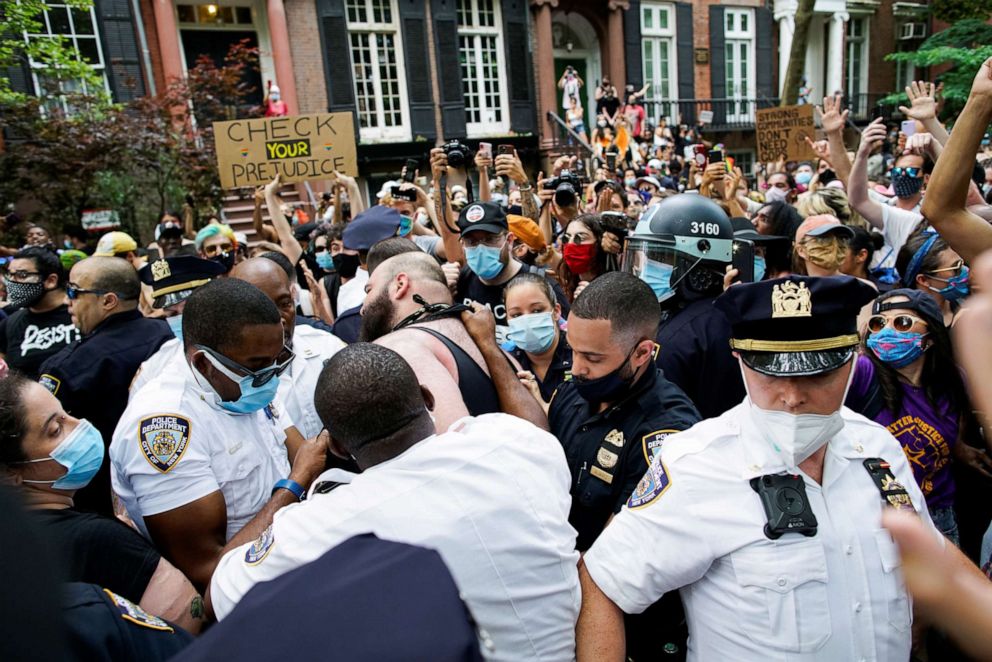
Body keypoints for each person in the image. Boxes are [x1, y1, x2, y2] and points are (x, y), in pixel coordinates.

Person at [575, 275, 967, 662]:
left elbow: (932, 553)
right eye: (770, 372)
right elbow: (603, 581)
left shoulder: (879, 449)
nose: (793, 395)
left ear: (852, 360)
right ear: (740, 362)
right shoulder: (699, 464)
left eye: (817, 372)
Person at [209, 343, 581, 661]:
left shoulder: (319, 524)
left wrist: (295, 481)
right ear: (427, 398)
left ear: (337, 445)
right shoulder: (514, 441)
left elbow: (222, 590)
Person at [110, 278, 329, 593]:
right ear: (204, 363)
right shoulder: (165, 425)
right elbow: (208, 571)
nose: (272, 376)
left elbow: (302, 452)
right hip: (244, 593)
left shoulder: (248, 381)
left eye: (277, 360)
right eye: (258, 366)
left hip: (291, 561)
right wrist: (293, 486)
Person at [0, 375, 205, 633]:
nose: (80, 425)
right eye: (55, 429)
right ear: (10, 474)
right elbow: (189, 616)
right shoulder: (98, 540)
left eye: (67, 413)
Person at [548, 272, 700, 551]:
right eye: (574, 351)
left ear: (642, 353)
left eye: (593, 358)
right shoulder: (573, 392)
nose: (577, 369)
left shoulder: (665, 432)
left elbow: (623, 547)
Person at [846, 289, 987, 545]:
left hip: (937, 516)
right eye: (878, 324)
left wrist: (959, 450)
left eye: (902, 323)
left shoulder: (953, 380)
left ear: (930, 337)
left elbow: (947, 426)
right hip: (877, 516)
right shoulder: (863, 373)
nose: (887, 332)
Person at [37, 257, 172, 515]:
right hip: (171, 481)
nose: (67, 300)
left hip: (104, 498)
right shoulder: (169, 334)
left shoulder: (68, 368)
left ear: (108, 301)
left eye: (74, 292)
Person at [625, 195, 743, 418]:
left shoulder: (677, 336)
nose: (647, 268)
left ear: (699, 270)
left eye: (660, 258)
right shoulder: (732, 314)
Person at [358, 252, 504, 430]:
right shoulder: (484, 337)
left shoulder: (401, 347)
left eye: (369, 290)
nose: (362, 308)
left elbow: (451, 445)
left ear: (400, 285)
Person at [230, 257, 346, 439]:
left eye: (285, 304)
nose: (279, 318)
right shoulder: (228, 378)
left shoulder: (327, 346)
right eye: (262, 309)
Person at [452, 202, 569, 345]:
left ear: (509, 240)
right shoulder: (462, 279)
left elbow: (569, 339)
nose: (481, 248)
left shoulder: (541, 284)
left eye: (490, 239)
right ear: (463, 245)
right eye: (472, 241)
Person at [129, 255, 228, 396]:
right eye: (172, 314)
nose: (182, 319)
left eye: (188, 308)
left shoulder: (253, 347)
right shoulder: (157, 365)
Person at [0, 246, 79, 379]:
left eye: (22, 275)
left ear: (51, 281)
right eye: (10, 275)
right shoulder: (9, 324)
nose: (12, 282)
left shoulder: (81, 314)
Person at [505, 272, 571, 405]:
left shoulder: (580, 354)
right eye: (516, 315)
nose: (527, 320)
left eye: (537, 311)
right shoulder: (507, 362)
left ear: (556, 312)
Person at [895, 230, 968, 326]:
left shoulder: (967, 310)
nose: (966, 270)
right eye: (956, 268)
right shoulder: (904, 326)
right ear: (923, 280)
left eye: (963, 263)